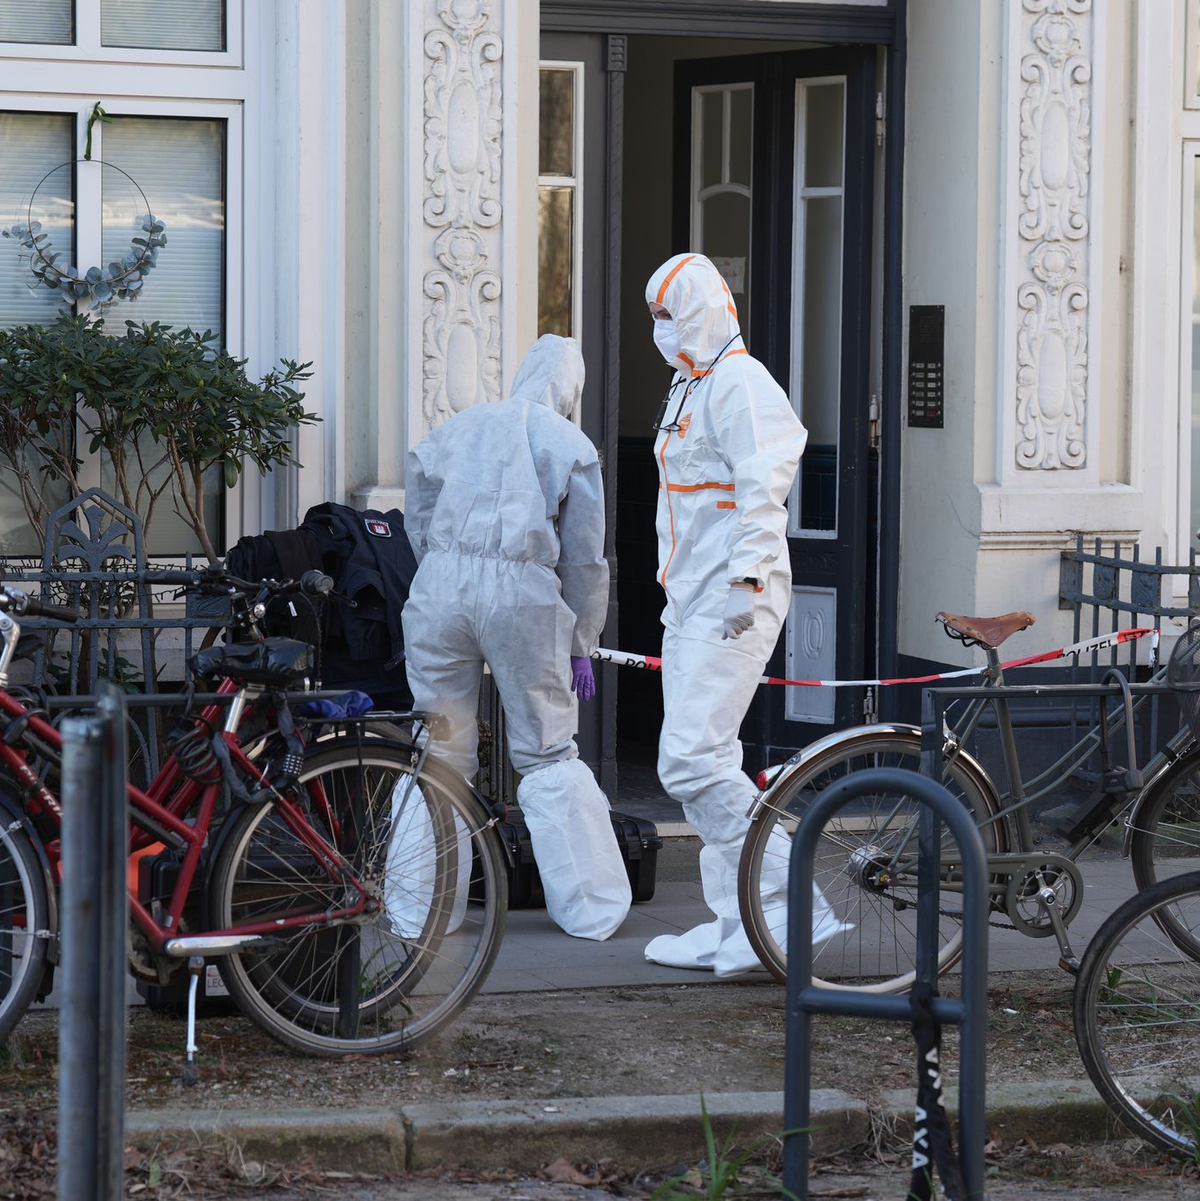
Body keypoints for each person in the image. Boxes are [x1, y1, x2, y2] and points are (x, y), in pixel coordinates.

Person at [642, 252, 847, 977]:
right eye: (654, 318)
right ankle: (742, 918)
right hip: (689, 596)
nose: (662, 330)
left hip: (730, 597)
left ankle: (795, 906)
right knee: (709, 760)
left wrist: (747, 579)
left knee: (690, 760)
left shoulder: (741, 384)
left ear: (700, 310)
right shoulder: (689, 386)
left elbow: (764, 489)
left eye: (669, 315)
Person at [401, 334, 632, 941]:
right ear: (570, 387)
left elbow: (417, 498)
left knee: (439, 750)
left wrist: (439, 563)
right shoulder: (570, 444)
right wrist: (581, 640)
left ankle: (419, 907)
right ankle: (589, 907)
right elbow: (584, 559)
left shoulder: (462, 425)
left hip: (439, 588)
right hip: (521, 593)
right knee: (547, 750)